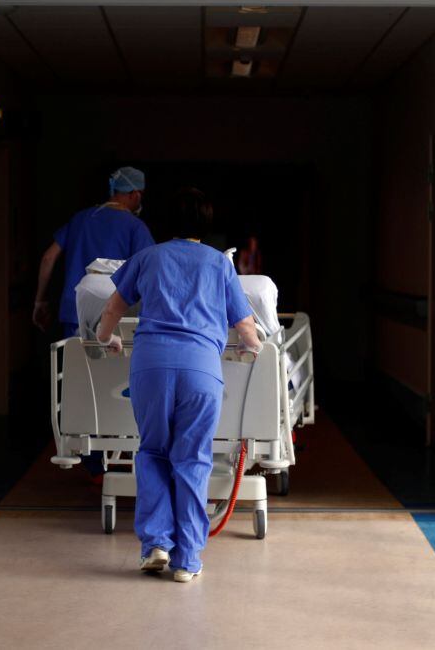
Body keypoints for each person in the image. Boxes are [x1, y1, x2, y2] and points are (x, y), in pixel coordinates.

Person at [95, 188, 263, 583]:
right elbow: (245, 326)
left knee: (153, 451)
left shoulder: (148, 258)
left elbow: (110, 309)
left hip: (151, 367)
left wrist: (107, 339)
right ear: (207, 224)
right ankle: (186, 560)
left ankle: (155, 544)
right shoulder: (219, 265)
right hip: (200, 371)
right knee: (191, 458)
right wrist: (255, 348)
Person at [33, 166, 155, 338]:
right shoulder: (135, 227)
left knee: (74, 364)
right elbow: (150, 272)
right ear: (135, 195)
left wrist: (40, 302)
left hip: (75, 311)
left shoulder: (80, 219)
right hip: (114, 315)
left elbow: (48, 258)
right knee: (109, 365)